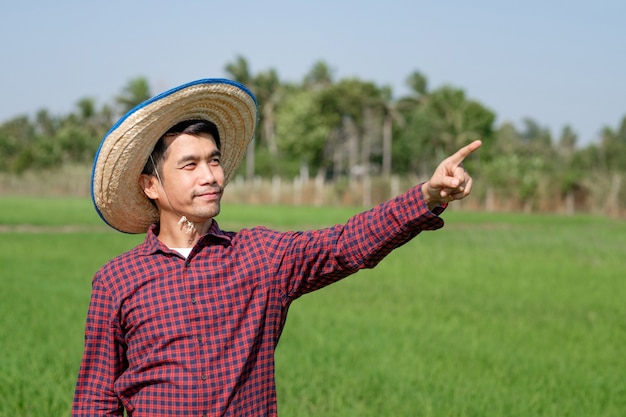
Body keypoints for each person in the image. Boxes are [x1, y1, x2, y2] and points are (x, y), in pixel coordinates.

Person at [73, 78, 481, 416]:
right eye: (190, 164)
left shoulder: (261, 256)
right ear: (151, 185)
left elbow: (345, 245)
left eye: (214, 161)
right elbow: (96, 400)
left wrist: (426, 196)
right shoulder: (117, 281)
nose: (210, 176)